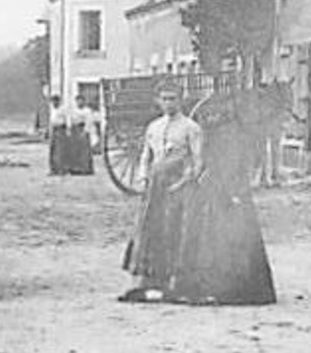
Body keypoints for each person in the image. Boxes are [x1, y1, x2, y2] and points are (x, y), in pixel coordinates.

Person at [167, 86, 279, 306]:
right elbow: (202, 161)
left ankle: (233, 288)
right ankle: (208, 286)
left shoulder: (235, 137)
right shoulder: (213, 135)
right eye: (211, 118)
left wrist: (233, 189)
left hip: (230, 192)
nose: (215, 121)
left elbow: (237, 166)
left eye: (220, 117)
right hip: (214, 190)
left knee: (233, 238)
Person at [119, 79, 202, 302]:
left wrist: (183, 182)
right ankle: (146, 280)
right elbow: (146, 156)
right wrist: (144, 177)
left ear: (181, 99)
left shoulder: (191, 128)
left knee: (174, 230)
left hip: (179, 188)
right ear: (158, 101)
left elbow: (197, 161)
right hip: (156, 188)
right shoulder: (153, 127)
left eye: (173, 98)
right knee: (149, 231)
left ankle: (177, 281)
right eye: (164, 99)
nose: (169, 103)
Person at [47, 94, 69, 175]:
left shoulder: (62, 110)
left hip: (60, 129)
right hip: (53, 129)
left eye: (56, 101)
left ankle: (61, 169)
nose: (54, 103)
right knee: (52, 150)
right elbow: (51, 121)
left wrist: (66, 130)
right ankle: (53, 169)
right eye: (53, 101)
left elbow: (66, 121)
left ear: (58, 101)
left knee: (60, 150)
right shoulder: (52, 109)